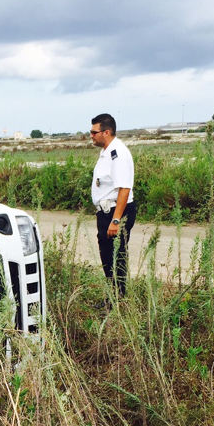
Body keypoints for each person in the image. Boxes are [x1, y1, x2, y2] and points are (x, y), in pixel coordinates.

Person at [90, 113, 136, 296]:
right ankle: (114, 296)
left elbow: (124, 188)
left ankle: (118, 298)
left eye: (94, 132)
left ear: (106, 132)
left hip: (116, 212)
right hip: (106, 212)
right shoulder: (107, 152)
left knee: (116, 257)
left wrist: (116, 220)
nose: (91, 136)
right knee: (108, 258)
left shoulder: (119, 153)